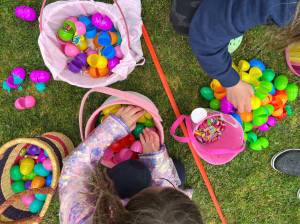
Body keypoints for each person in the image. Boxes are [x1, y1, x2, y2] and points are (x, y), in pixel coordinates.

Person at [59, 106, 203, 224]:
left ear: (126, 209)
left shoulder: (81, 219)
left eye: (154, 187)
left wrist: (113, 128)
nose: (158, 184)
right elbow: (167, 196)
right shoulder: (174, 215)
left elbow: (74, 168)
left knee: (134, 174)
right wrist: (154, 159)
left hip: (111, 206)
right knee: (177, 170)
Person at [170, 0, 299, 112]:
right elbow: (205, 38)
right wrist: (232, 83)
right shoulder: (280, 6)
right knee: (186, 22)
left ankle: (226, 21)